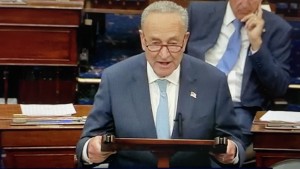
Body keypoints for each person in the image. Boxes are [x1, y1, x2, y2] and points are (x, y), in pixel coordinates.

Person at [76, 1, 245, 168]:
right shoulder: (115, 78)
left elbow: (233, 140)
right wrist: (92, 150)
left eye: (173, 44)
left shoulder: (213, 81)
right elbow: (87, 142)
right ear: (142, 39)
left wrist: (231, 153)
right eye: (155, 43)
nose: (164, 55)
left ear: (185, 40)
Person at [186, 0, 292, 149]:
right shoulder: (198, 12)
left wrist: (257, 44)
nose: (244, 2)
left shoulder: (278, 28)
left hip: (237, 109)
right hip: (192, 100)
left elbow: (279, 88)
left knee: (224, 151)